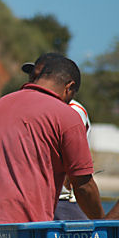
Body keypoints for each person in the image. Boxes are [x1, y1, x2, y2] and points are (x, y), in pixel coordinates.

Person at [0, 53, 104, 224]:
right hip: (31, 229)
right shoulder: (67, 116)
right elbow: (83, 185)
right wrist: (105, 223)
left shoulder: (1, 105)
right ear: (69, 87)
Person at [22, 56, 91, 220]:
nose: (34, 80)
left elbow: (73, 163)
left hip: (60, 200)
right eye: (32, 76)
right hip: (32, 198)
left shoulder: (73, 110)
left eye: (39, 76)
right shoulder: (25, 106)